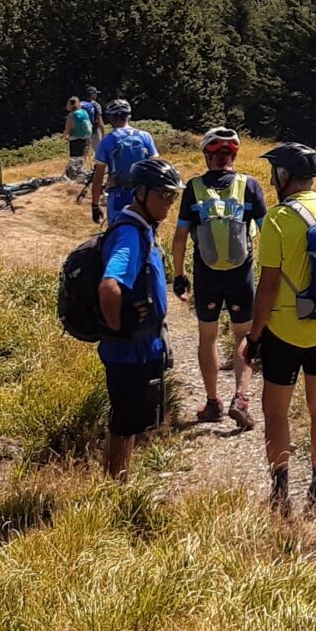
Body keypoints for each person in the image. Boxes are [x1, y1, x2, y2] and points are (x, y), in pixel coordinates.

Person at [240, 142, 316, 513]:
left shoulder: (278, 219)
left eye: (275, 172)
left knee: (276, 410)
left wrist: (253, 338)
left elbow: (268, 286)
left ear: (284, 175)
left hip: (285, 330)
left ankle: (279, 490)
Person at [171, 127, 265, 431]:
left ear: (208, 157)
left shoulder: (194, 188)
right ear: (233, 156)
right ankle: (241, 399)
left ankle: (212, 403)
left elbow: (180, 236)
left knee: (208, 337)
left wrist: (180, 275)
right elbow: (269, 231)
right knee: (243, 337)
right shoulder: (249, 186)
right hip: (241, 274)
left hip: (207, 274)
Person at [96, 155, 183, 479]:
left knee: (129, 421)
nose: (170, 202)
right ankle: (115, 486)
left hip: (138, 348)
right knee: (124, 421)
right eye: (164, 195)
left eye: (173, 195)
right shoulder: (130, 234)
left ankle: (117, 480)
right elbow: (109, 285)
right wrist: (120, 328)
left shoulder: (139, 226)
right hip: (129, 351)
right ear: (142, 193)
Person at [85, 99, 157, 225]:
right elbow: (156, 170)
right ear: (129, 116)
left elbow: (98, 178)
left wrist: (95, 205)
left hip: (118, 195)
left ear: (111, 117)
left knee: (117, 232)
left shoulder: (107, 141)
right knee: (146, 234)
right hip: (143, 195)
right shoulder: (145, 136)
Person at [63, 93, 96, 180]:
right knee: (82, 157)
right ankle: (81, 173)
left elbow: (68, 129)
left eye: (68, 104)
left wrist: (63, 136)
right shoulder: (84, 112)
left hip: (75, 139)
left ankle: (74, 176)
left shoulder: (71, 115)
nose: (67, 106)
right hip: (85, 137)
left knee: (74, 158)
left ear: (71, 105)